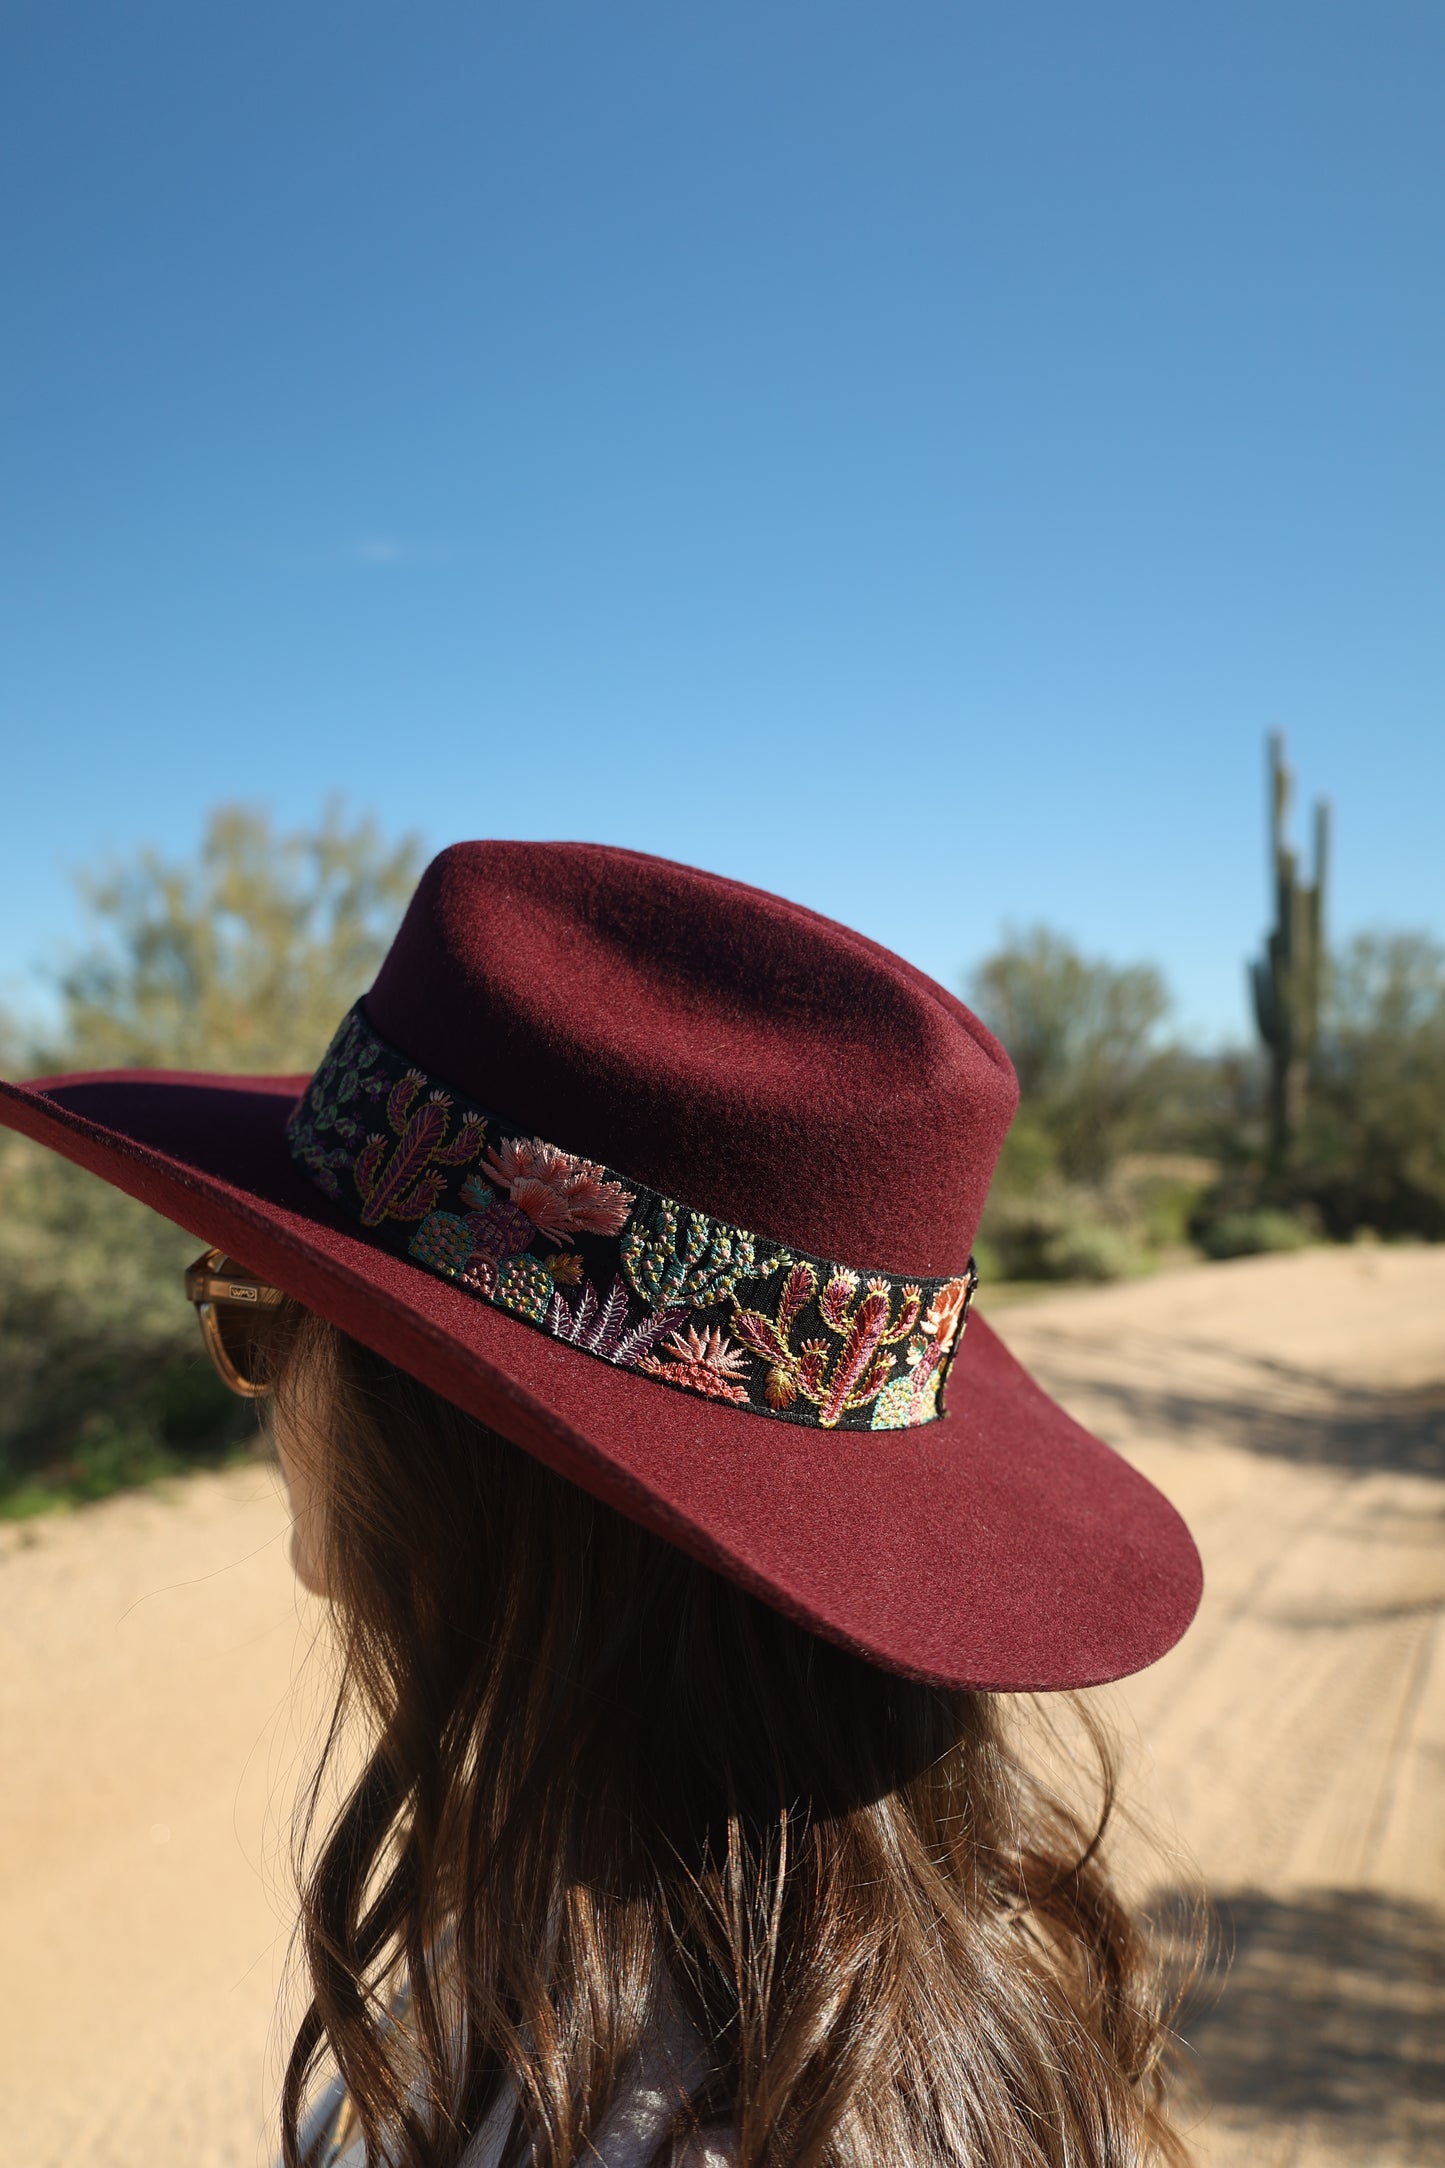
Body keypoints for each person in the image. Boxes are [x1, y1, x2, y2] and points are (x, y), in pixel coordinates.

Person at [0, 841, 1203, 2168]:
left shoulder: (635, 2110)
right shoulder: (823, 1983)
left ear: (452, 1450)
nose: (266, 1399)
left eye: (265, 1310)